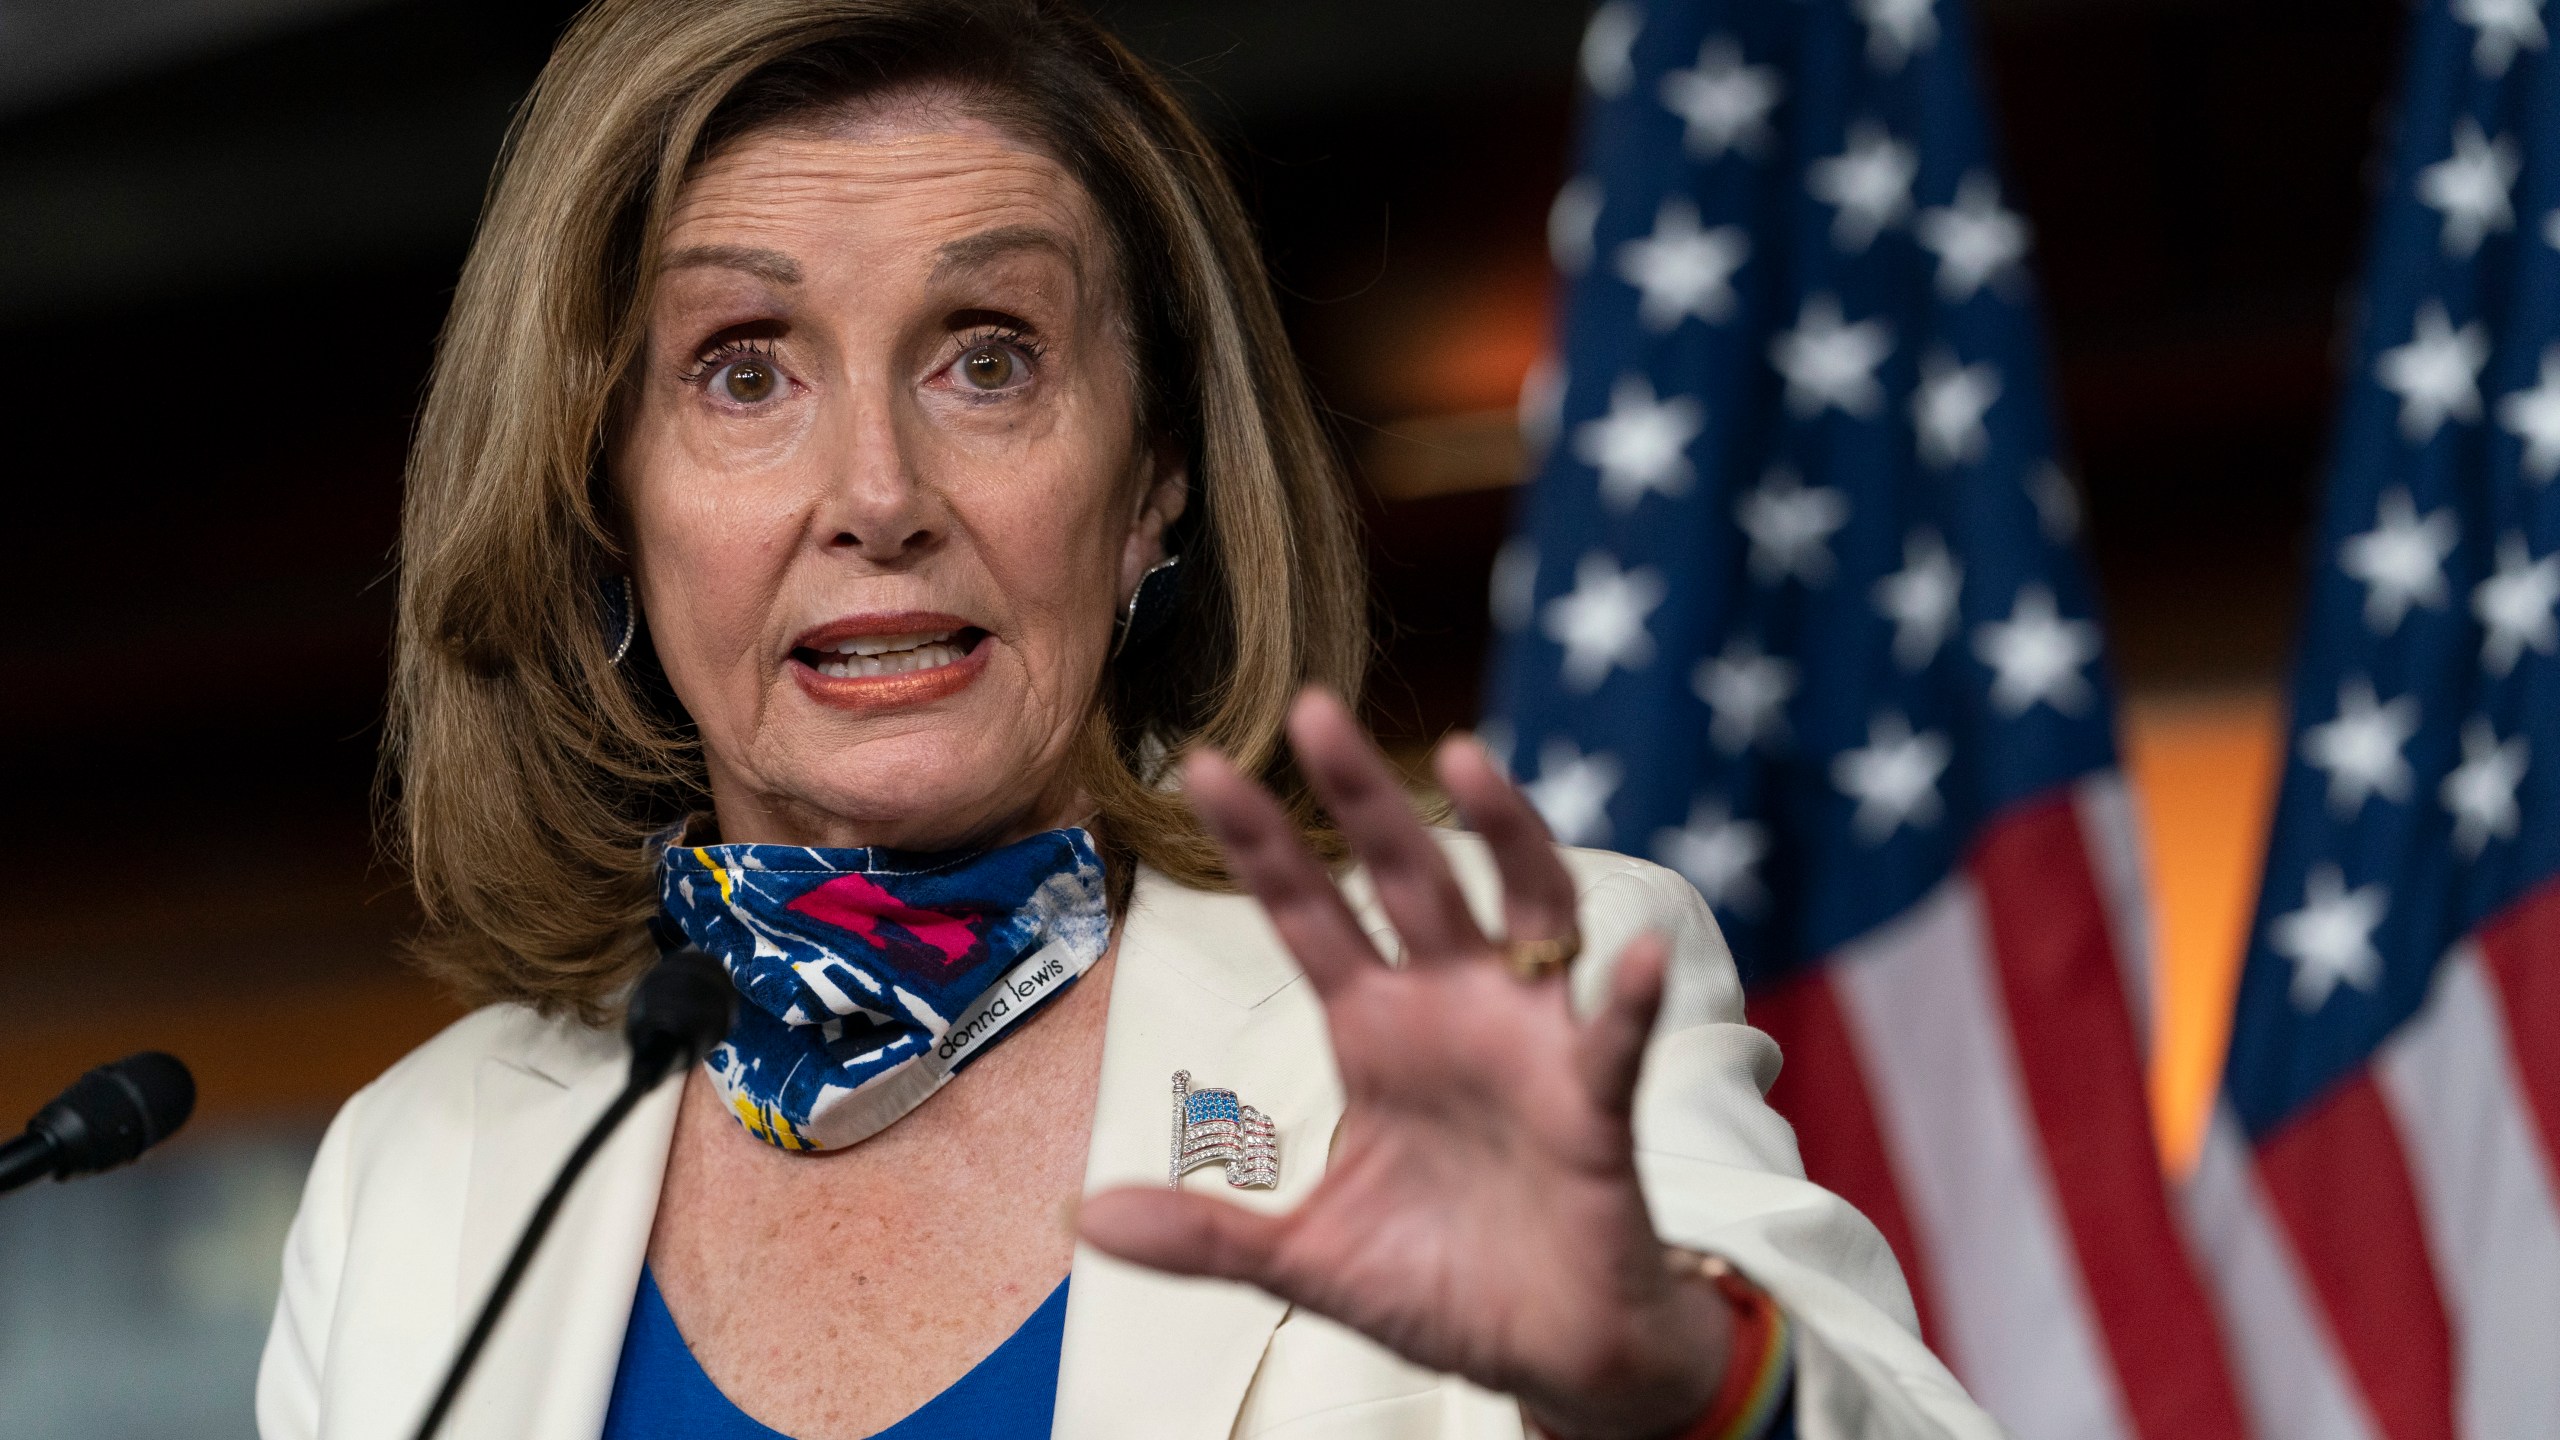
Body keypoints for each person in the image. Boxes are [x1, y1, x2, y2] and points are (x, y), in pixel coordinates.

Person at [256, 2, 2001, 1437]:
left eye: (990, 354)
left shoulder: (1488, 992)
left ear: (1154, 480)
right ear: (600, 497)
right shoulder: (425, 1170)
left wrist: (1677, 1385)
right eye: (744, 369)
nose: (878, 490)